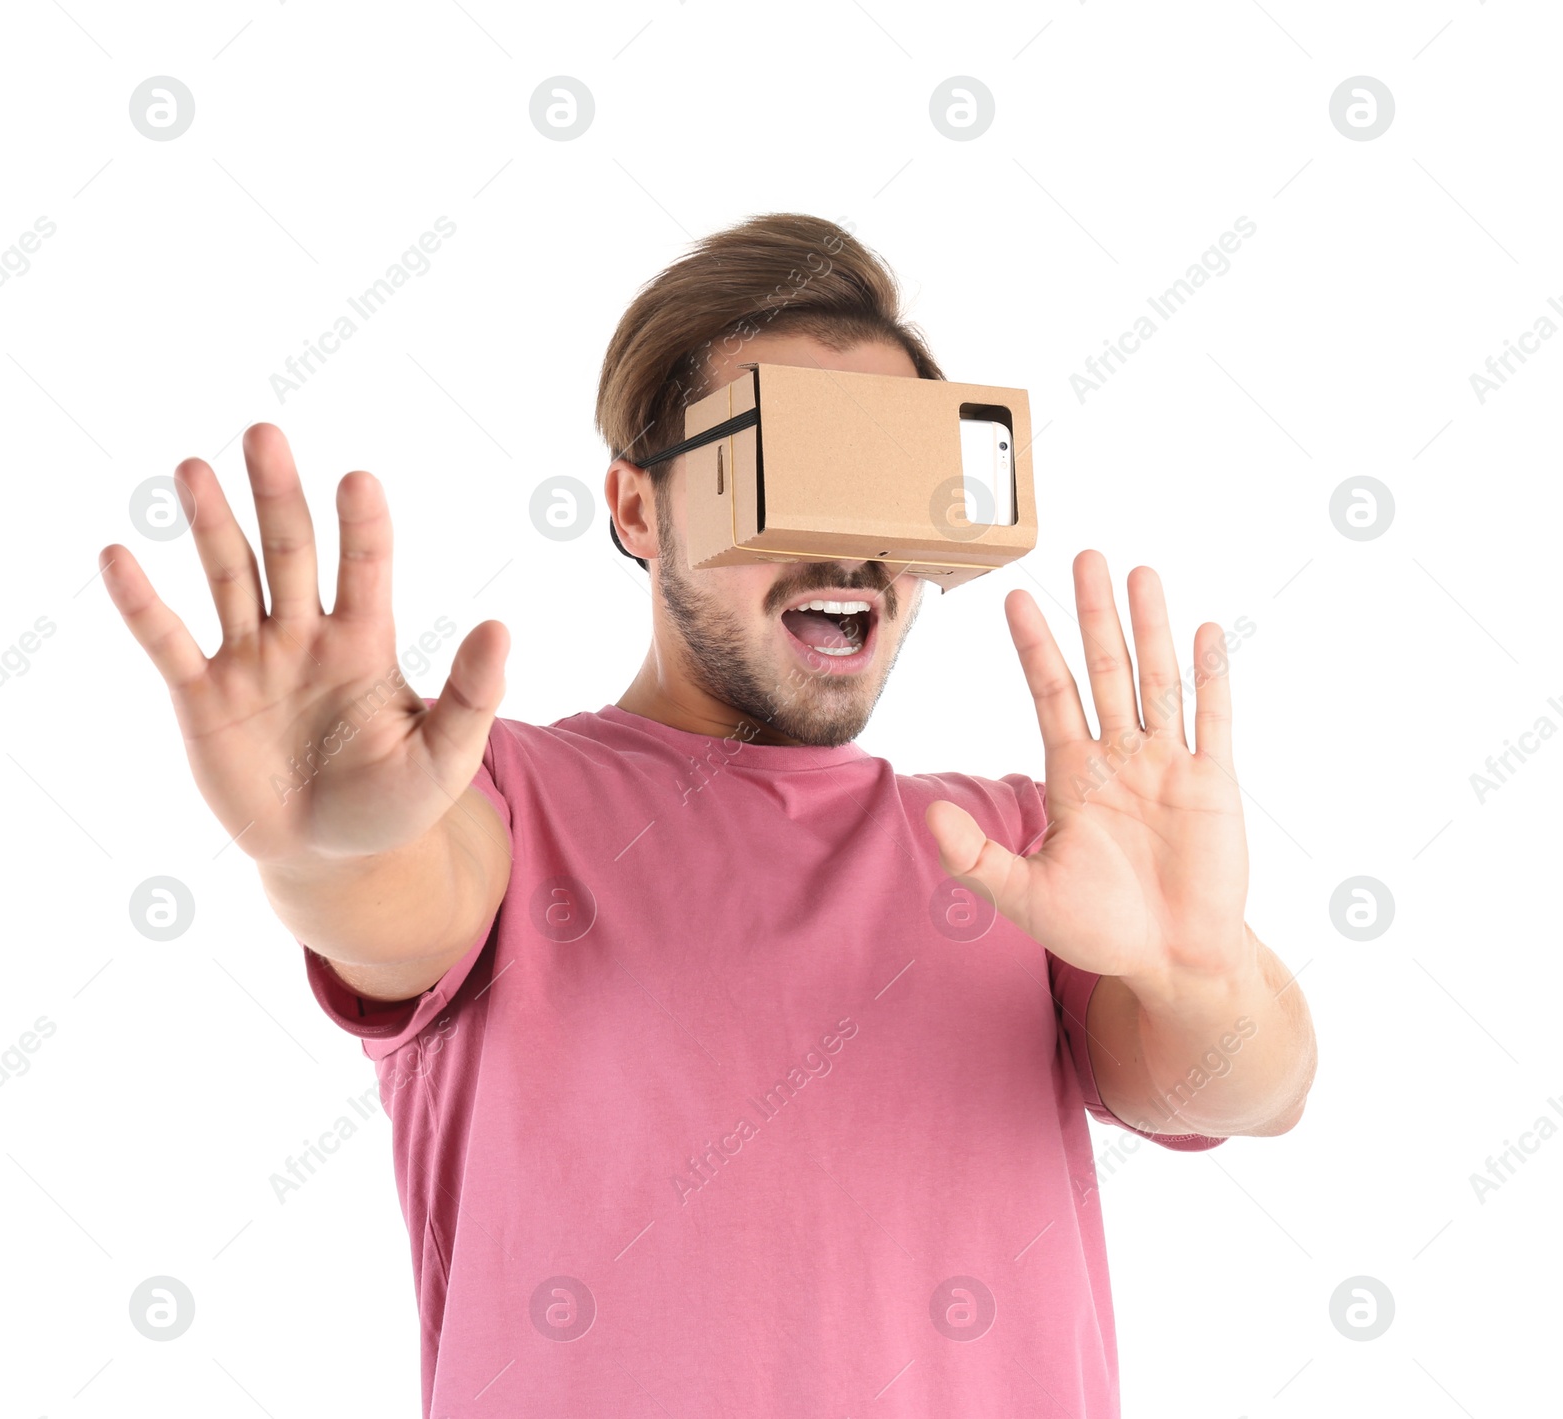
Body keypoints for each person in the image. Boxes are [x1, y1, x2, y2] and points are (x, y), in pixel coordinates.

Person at [98, 212, 1316, 1418]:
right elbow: (391, 893)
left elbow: (1247, 1091)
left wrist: (1199, 966)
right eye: (788, 473)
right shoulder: (499, 804)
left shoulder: (1027, 850)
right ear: (638, 510)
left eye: (880, 482)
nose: (843, 549)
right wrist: (327, 842)